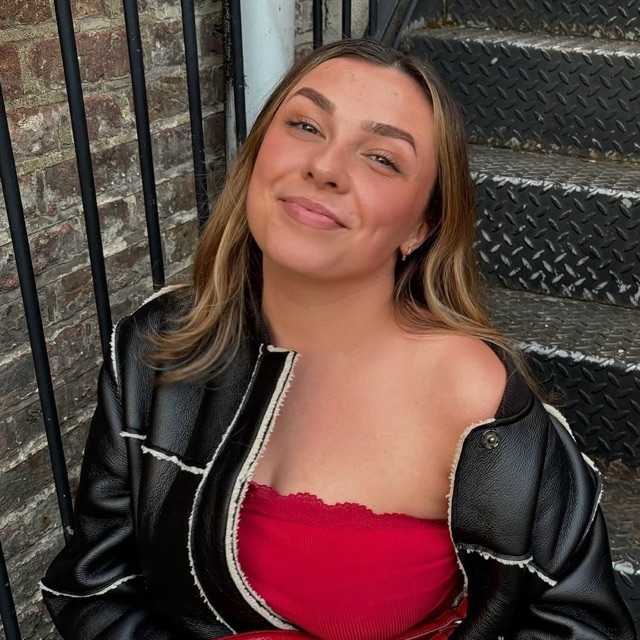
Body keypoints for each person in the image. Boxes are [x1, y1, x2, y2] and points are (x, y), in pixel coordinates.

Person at [39, 37, 636, 640]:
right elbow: (92, 587)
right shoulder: (155, 348)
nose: (324, 167)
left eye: (382, 158)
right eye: (305, 125)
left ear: (421, 226)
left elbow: (583, 625)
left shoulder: (474, 399)